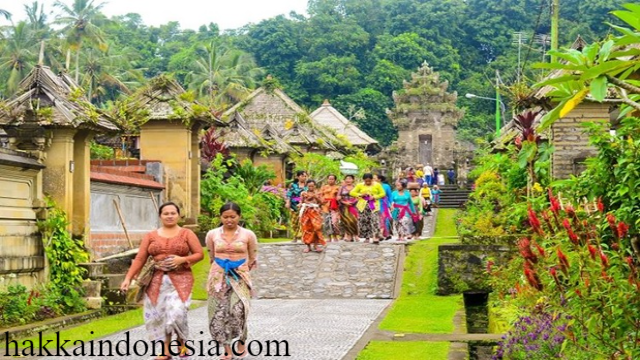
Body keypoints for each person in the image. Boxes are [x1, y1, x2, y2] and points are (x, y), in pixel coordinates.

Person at [120, 202, 204, 360]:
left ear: (178, 215)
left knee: (177, 312)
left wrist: (182, 259)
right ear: (160, 216)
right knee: (159, 316)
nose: (170, 216)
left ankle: (181, 343)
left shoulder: (186, 233)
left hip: (181, 280)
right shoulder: (151, 236)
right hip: (155, 281)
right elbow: (140, 258)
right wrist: (128, 278)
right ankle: (165, 351)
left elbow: (199, 254)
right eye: (166, 213)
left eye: (173, 213)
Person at [205, 202, 258, 360]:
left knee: (238, 310)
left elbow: (252, 258)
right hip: (218, 277)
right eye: (225, 217)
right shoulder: (212, 234)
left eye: (232, 217)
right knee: (219, 312)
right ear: (220, 217)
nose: (229, 220)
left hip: (240, 276)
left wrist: (240, 268)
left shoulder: (248, 235)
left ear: (239, 217)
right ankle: (226, 349)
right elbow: (211, 256)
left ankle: (242, 341)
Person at [350, 173, 385, 244]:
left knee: (375, 221)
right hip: (362, 206)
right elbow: (351, 192)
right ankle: (367, 237)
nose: (368, 182)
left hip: (374, 205)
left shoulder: (377, 185)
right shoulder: (359, 185)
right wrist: (360, 195)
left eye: (369, 181)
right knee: (364, 221)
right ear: (364, 180)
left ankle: (376, 237)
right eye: (366, 181)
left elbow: (383, 193)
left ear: (372, 179)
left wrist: (374, 196)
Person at [300, 180, 326, 253]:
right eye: (309, 186)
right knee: (307, 228)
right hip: (306, 212)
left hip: (315, 212)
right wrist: (301, 204)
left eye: (312, 186)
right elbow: (301, 202)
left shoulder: (318, 193)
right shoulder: (303, 193)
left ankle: (316, 245)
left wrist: (316, 197)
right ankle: (308, 246)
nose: (311, 187)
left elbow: (322, 202)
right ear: (306, 186)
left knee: (317, 228)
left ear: (315, 186)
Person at [285, 171, 308, 242]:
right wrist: (288, 203)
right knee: (294, 222)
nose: (304, 177)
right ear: (298, 177)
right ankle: (294, 236)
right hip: (294, 206)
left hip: (305, 206)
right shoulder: (293, 185)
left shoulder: (308, 186)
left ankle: (303, 237)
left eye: (305, 176)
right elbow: (289, 195)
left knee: (303, 221)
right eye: (302, 176)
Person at [336, 175, 359, 242]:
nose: (348, 180)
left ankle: (355, 234)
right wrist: (344, 202)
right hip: (344, 206)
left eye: (350, 179)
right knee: (346, 221)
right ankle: (348, 235)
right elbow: (338, 197)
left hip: (353, 206)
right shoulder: (342, 188)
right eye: (347, 179)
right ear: (345, 180)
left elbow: (359, 196)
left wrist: (352, 202)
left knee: (353, 220)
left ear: (353, 180)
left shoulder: (356, 187)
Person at [320, 175, 341, 242]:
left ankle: (335, 236)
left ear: (335, 180)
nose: (331, 180)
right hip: (325, 206)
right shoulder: (324, 187)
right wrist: (322, 200)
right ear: (327, 179)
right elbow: (320, 195)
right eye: (329, 179)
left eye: (332, 179)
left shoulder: (338, 188)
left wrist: (337, 197)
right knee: (326, 222)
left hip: (334, 206)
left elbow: (340, 197)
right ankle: (329, 236)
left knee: (334, 222)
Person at [374, 174, 393, 240]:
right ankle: (382, 234)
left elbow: (390, 196)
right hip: (374, 204)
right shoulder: (372, 186)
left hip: (384, 204)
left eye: (375, 178)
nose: (373, 179)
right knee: (377, 219)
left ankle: (383, 233)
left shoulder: (386, 186)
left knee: (385, 219)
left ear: (379, 179)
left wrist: (391, 204)